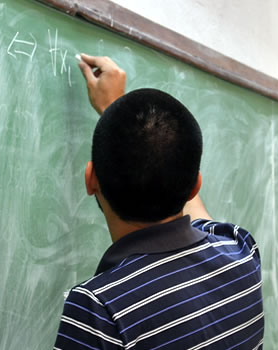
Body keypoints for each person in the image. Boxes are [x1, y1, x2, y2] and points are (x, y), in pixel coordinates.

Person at [53, 54, 264, 350]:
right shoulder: (241, 252)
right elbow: (193, 209)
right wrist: (114, 110)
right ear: (195, 186)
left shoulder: (100, 309)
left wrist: (114, 115)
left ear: (90, 179)